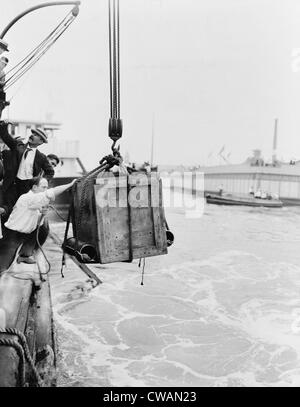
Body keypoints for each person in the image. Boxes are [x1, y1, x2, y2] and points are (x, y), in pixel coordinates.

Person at [0, 176, 77, 275]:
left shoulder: (35, 202)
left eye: (47, 187)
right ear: (34, 187)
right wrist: (70, 185)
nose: (46, 190)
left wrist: (42, 213)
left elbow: (37, 222)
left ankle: (25, 255)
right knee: (3, 265)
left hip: (25, 234)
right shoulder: (27, 197)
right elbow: (50, 193)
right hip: (12, 235)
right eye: (43, 187)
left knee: (43, 228)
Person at [0, 121, 54, 218]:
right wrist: (4, 126)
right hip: (13, 184)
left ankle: (22, 232)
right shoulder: (18, 146)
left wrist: (41, 182)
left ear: (41, 142)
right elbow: (6, 137)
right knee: (7, 211)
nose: (32, 135)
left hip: (27, 187)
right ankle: (7, 232)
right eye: (33, 133)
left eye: (36, 135)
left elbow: (50, 172)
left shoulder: (41, 157)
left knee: (24, 212)